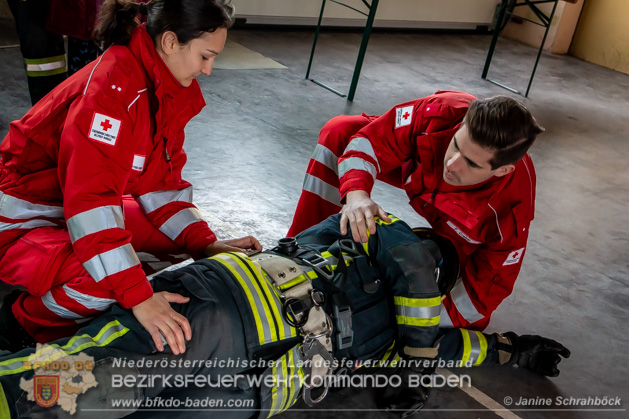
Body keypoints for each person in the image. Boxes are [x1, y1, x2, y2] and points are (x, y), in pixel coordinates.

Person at [0, 213, 570, 418]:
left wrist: (510, 349)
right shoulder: (375, 233)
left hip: (239, 373)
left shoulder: (410, 330)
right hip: (221, 332)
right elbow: (418, 281)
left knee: (62, 393)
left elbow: (451, 347)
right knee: (50, 392)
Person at [0, 0, 262, 354]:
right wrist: (139, 297)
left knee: (169, 251)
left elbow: (163, 183)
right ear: (170, 42)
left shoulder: (162, 86)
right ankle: (20, 322)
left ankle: (75, 290)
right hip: (20, 219)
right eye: (205, 56)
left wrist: (205, 244)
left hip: (65, 206)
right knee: (110, 281)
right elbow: (91, 202)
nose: (209, 70)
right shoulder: (113, 91)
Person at [287, 91, 544, 331]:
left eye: (471, 163)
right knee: (340, 132)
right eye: (455, 145)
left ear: (502, 170)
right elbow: (371, 141)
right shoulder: (439, 114)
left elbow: (485, 293)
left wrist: (410, 326)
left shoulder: (509, 210)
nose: (452, 164)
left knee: (465, 316)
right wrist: (356, 195)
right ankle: (297, 253)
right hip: (417, 173)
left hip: (462, 222)